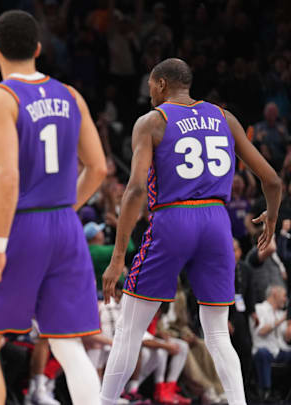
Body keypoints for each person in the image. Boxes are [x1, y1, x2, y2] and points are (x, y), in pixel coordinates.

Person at [100, 58, 283, 405]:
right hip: (217, 222)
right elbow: (272, 180)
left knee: (129, 329)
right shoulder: (224, 118)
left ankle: (104, 402)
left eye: (151, 85)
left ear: (162, 85)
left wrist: (118, 256)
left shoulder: (153, 121)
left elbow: (136, 190)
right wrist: (271, 218)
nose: (149, 91)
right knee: (217, 333)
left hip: (174, 218)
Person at [0, 10, 107, 405]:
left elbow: (7, 176)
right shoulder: (71, 94)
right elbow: (98, 168)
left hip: (21, 226)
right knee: (67, 343)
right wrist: (63, 208)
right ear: (39, 49)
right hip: (65, 224)